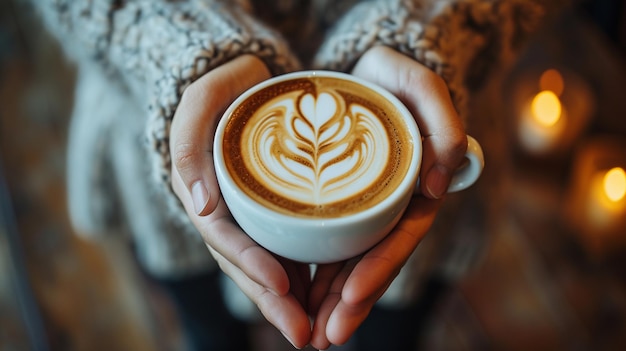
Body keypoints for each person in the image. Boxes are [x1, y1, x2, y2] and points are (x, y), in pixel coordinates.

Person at [33, 0, 552, 349]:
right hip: (160, 121)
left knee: (391, 335)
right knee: (207, 330)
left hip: (425, 107)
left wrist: (440, 24)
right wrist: (173, 38)